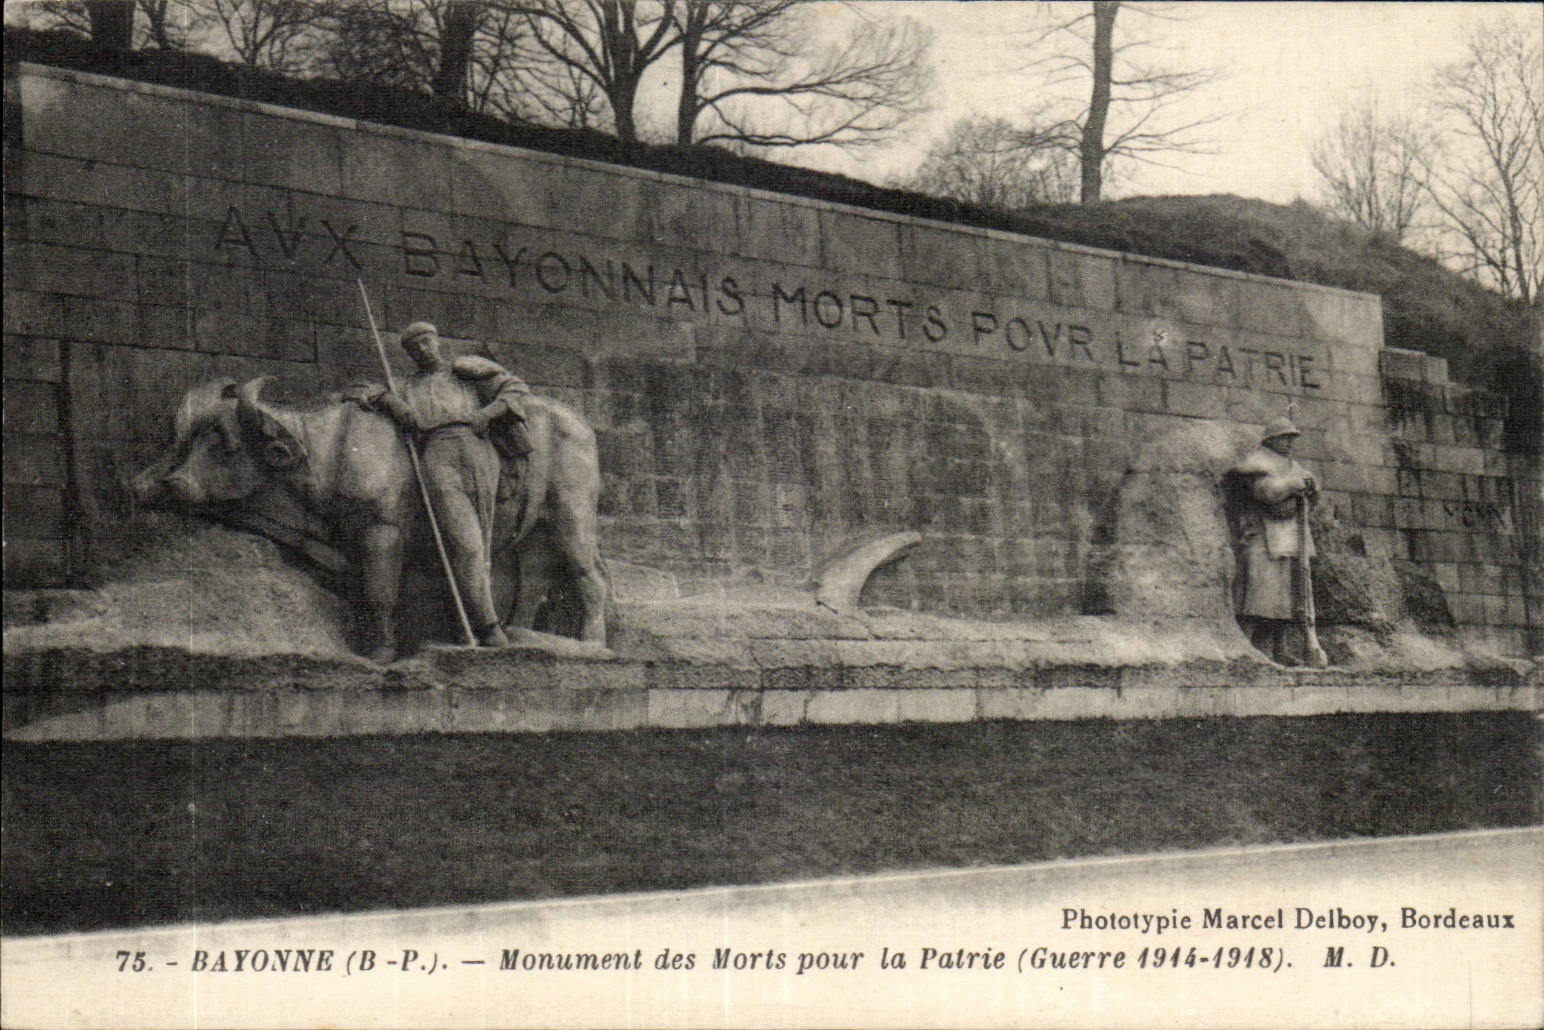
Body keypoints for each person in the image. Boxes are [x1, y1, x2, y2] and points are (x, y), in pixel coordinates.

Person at [351, 321, 530, 648]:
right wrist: (393, 402)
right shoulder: (404, 386)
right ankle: (489, 626)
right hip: (437, 452)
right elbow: (368, 393)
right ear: (408, 353)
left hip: (478, 445)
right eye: (414, 345)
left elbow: (515, 388)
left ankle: (467, 625)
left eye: (427, 341)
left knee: (485, 533)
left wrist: (489, 413)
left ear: (437, 341)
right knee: (466, 541)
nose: (423, 348)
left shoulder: (465, 371)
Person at [1230, 416, 1325, 666]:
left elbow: (1310, 502)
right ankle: (1246, 645)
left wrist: (1313, 488)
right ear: (1271, 439)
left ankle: (1278, 648)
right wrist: (1292, 484)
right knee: (1258, 594)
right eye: (1285, 438)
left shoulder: (1294, 465)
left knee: (1289, 597)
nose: (1290, 443)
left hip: (1292, 538)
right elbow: (1265, 492)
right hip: (1263, 537)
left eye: (1292, 438)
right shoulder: (1258, 462)